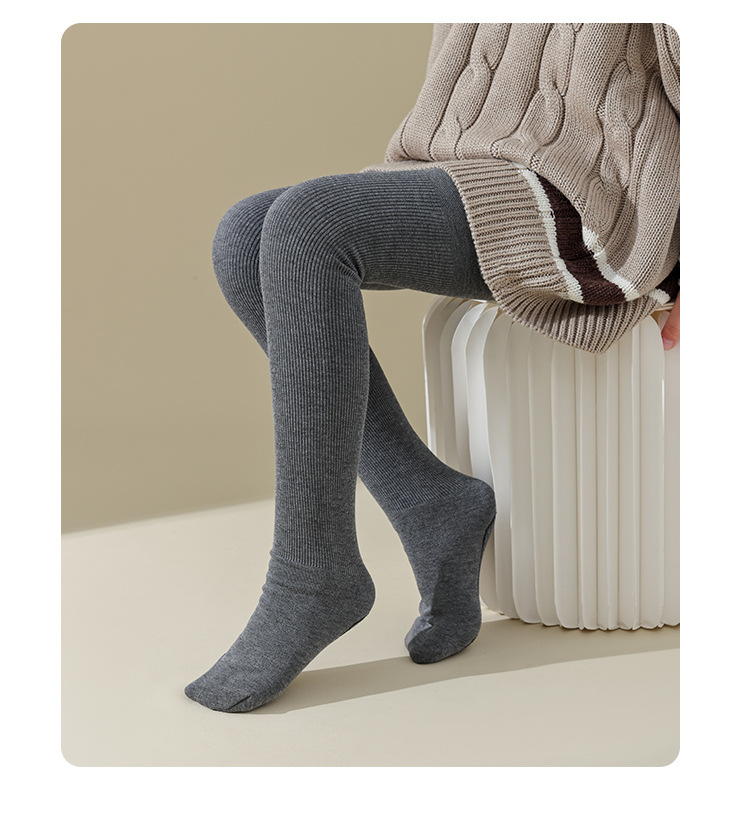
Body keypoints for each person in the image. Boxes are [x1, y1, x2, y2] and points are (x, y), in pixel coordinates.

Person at [184, 22, 680, 713]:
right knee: (244, 236)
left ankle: (312, 571)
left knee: (311, 224)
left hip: (594, 195)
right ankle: (428, 501)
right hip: (469, 162)